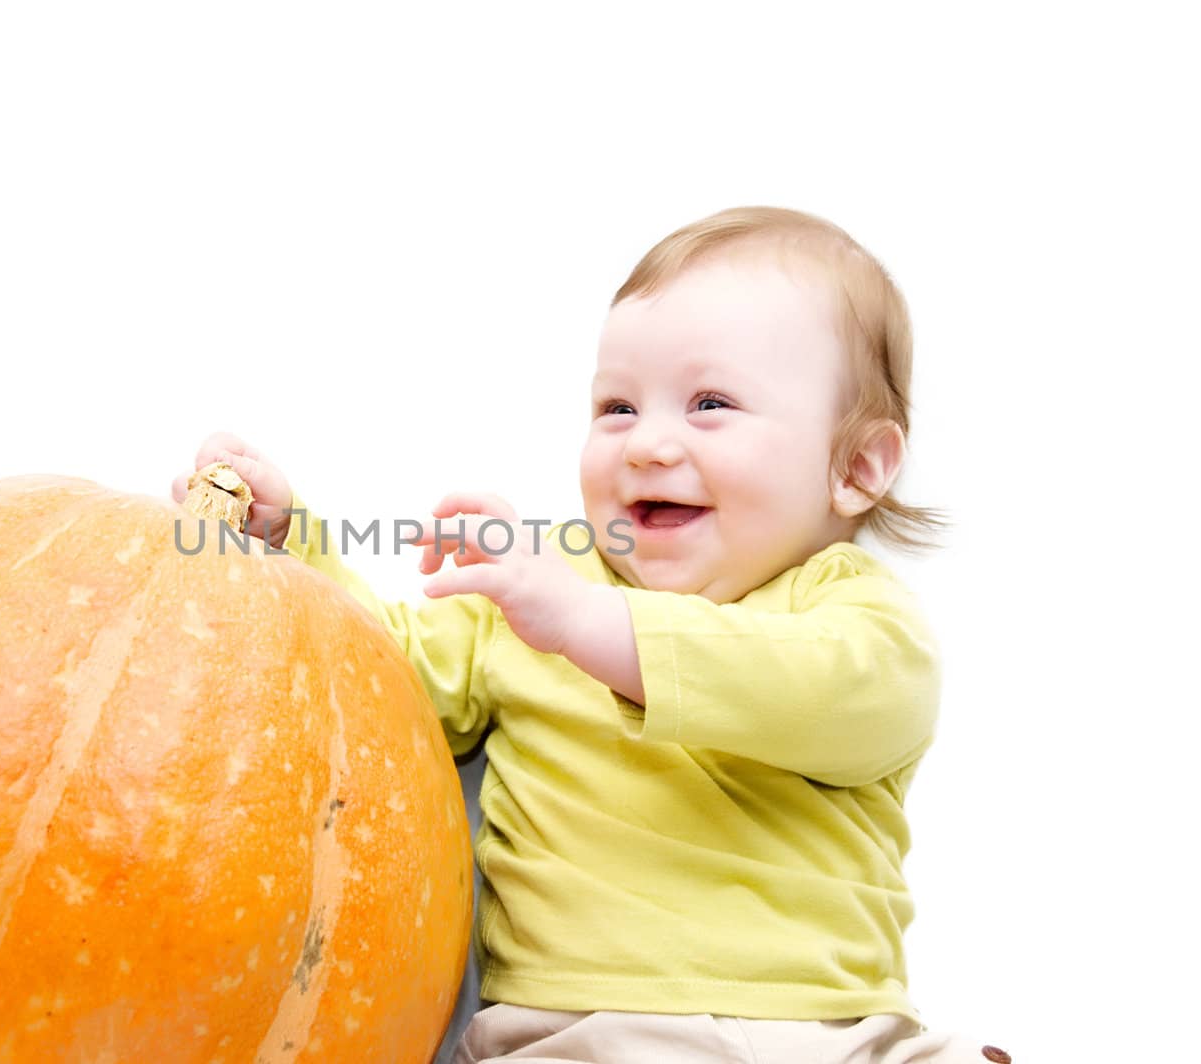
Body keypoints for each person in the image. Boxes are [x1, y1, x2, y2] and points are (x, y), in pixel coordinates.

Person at [173, 207, 1012, 1063]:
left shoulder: (857, 615)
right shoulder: (536, 591)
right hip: (580, 1036)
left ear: (856, 467)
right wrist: (288, 552)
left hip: (832, 1036)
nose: (647, 443)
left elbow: (820, 690)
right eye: (616, 407)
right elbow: (376, 679)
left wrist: (588, 625)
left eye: (710, 403)